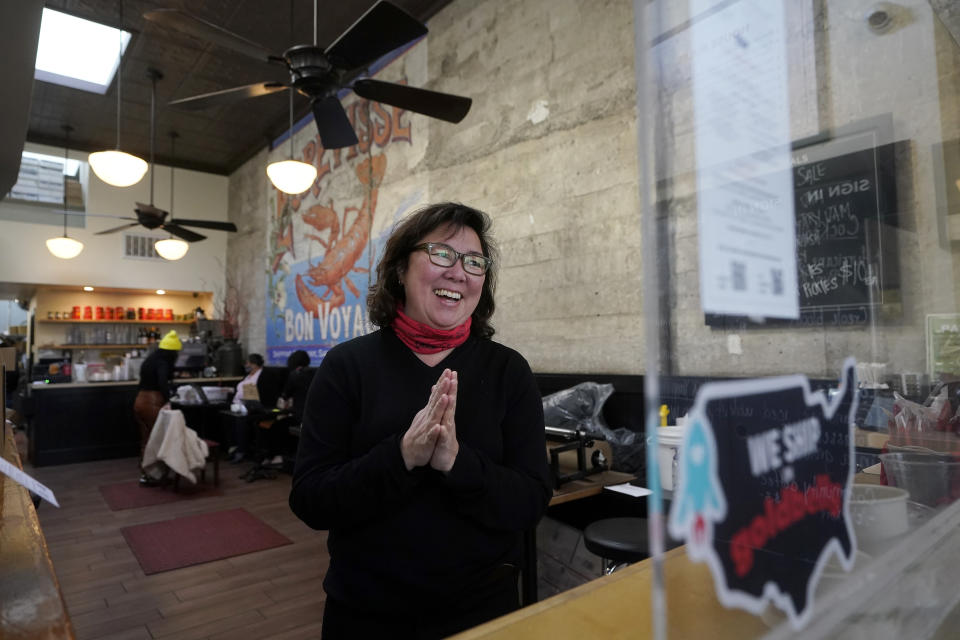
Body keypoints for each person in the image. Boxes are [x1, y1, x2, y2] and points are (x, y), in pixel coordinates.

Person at [289, 202, 552, 639]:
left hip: (484, 611)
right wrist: (402, 456)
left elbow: (531, 501)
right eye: (441, 254)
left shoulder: (508, 371)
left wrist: (456, 462)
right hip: (366, 612)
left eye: (473, 261)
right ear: (399, 271)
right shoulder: (347, 367)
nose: (458, 272)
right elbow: (312, 500)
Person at [133, 330, 181, 485]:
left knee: (146, 438)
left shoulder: (151, 359)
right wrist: (167, 400)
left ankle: (145, 472)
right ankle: (156, 474)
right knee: (158, 438)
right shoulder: (163, 362)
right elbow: (162, 381)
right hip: (153, 402)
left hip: (140, 400)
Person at [260, 349, 313, 467]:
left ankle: (276, 456)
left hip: (300, 416)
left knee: (275, 426)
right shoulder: (313, 373)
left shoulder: (294, 375)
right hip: (313, 416)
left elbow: (285, 395)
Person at [228, 353, 265, 463]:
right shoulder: (248, 376)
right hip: (238, 404)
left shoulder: (262, 375)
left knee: (241, 420)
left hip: (252, 407)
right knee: (227, 418)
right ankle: (233, 448)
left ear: (254, 364)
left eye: (248, 363)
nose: (246, 365)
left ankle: (241, 451)